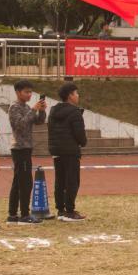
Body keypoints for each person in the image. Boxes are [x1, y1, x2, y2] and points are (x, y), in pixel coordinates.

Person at [8, 79, 47, 223]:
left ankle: (12, 214)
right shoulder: (14, 107)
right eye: (26, 92)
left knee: (18, 182)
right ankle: (24, 214)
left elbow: (39, 121)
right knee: (25, 182)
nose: (29, 94)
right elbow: (20, 125)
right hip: (20, 148)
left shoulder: (25, 107)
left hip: (26, 147)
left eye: (31, 92)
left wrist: (42, 111)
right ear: (18, 92)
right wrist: (34, 109)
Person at [48, 82, 87, 221]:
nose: (78, 96)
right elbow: (79, 134)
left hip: (56, 150)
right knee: (72, 181)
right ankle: (70, 211)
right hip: (70, 151)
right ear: (70, 96)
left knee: (60, 180)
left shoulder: (53, 111)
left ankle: (60, 210)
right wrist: (83, 142)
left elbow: (50, 130)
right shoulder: (74, 112)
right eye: (76, 93)